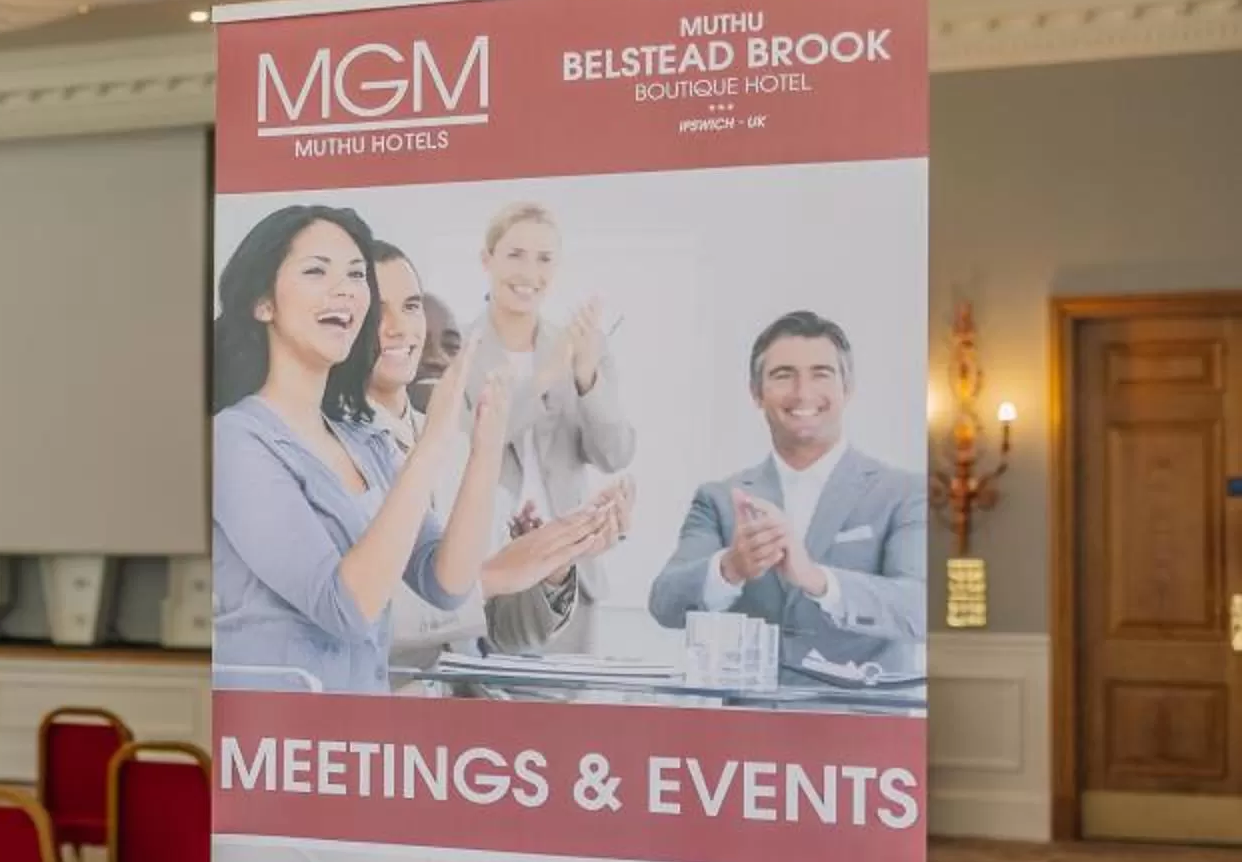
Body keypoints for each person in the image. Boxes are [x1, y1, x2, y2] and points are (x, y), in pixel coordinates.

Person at [211, 205, 512, 691]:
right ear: (263, 303)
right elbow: (346, 606)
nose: (346, 289)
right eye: (316, 271)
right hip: (270, 739)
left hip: (353, 734)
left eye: (356, 274)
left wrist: (485, 447)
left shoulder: (361, 439)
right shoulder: (236, 440)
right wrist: (432, 442)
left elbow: (448, 582)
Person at [363, 241, 633, 670]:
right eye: (380, 312)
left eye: (449, 343)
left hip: (471, 701)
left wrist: (550, 564)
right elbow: (357, 618)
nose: (430, 353)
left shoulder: (466, 454)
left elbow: (502, 629)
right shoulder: (337, 445)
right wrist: (491, 578)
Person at [649, 310, 927, 682]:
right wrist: (730, 568)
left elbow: (920, 609)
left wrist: (818, 580)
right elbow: (665, 604)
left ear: (848, 388)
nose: (802, 393)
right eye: (783, 375)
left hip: (863, 723)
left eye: (821, 374)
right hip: (745, 727)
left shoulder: (904, 492)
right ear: (756, 393)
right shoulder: (718, 499)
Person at [461, 203, 635, 643]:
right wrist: (543, 379)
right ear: (487, 259)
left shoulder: (584, 347)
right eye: (515, 254)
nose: (529, 272)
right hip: (486, 569)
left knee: (568, 709)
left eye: (544, 259)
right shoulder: (458, 350)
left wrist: (586, 377)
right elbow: (468, 451)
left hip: (569, 573)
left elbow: (614, 454)